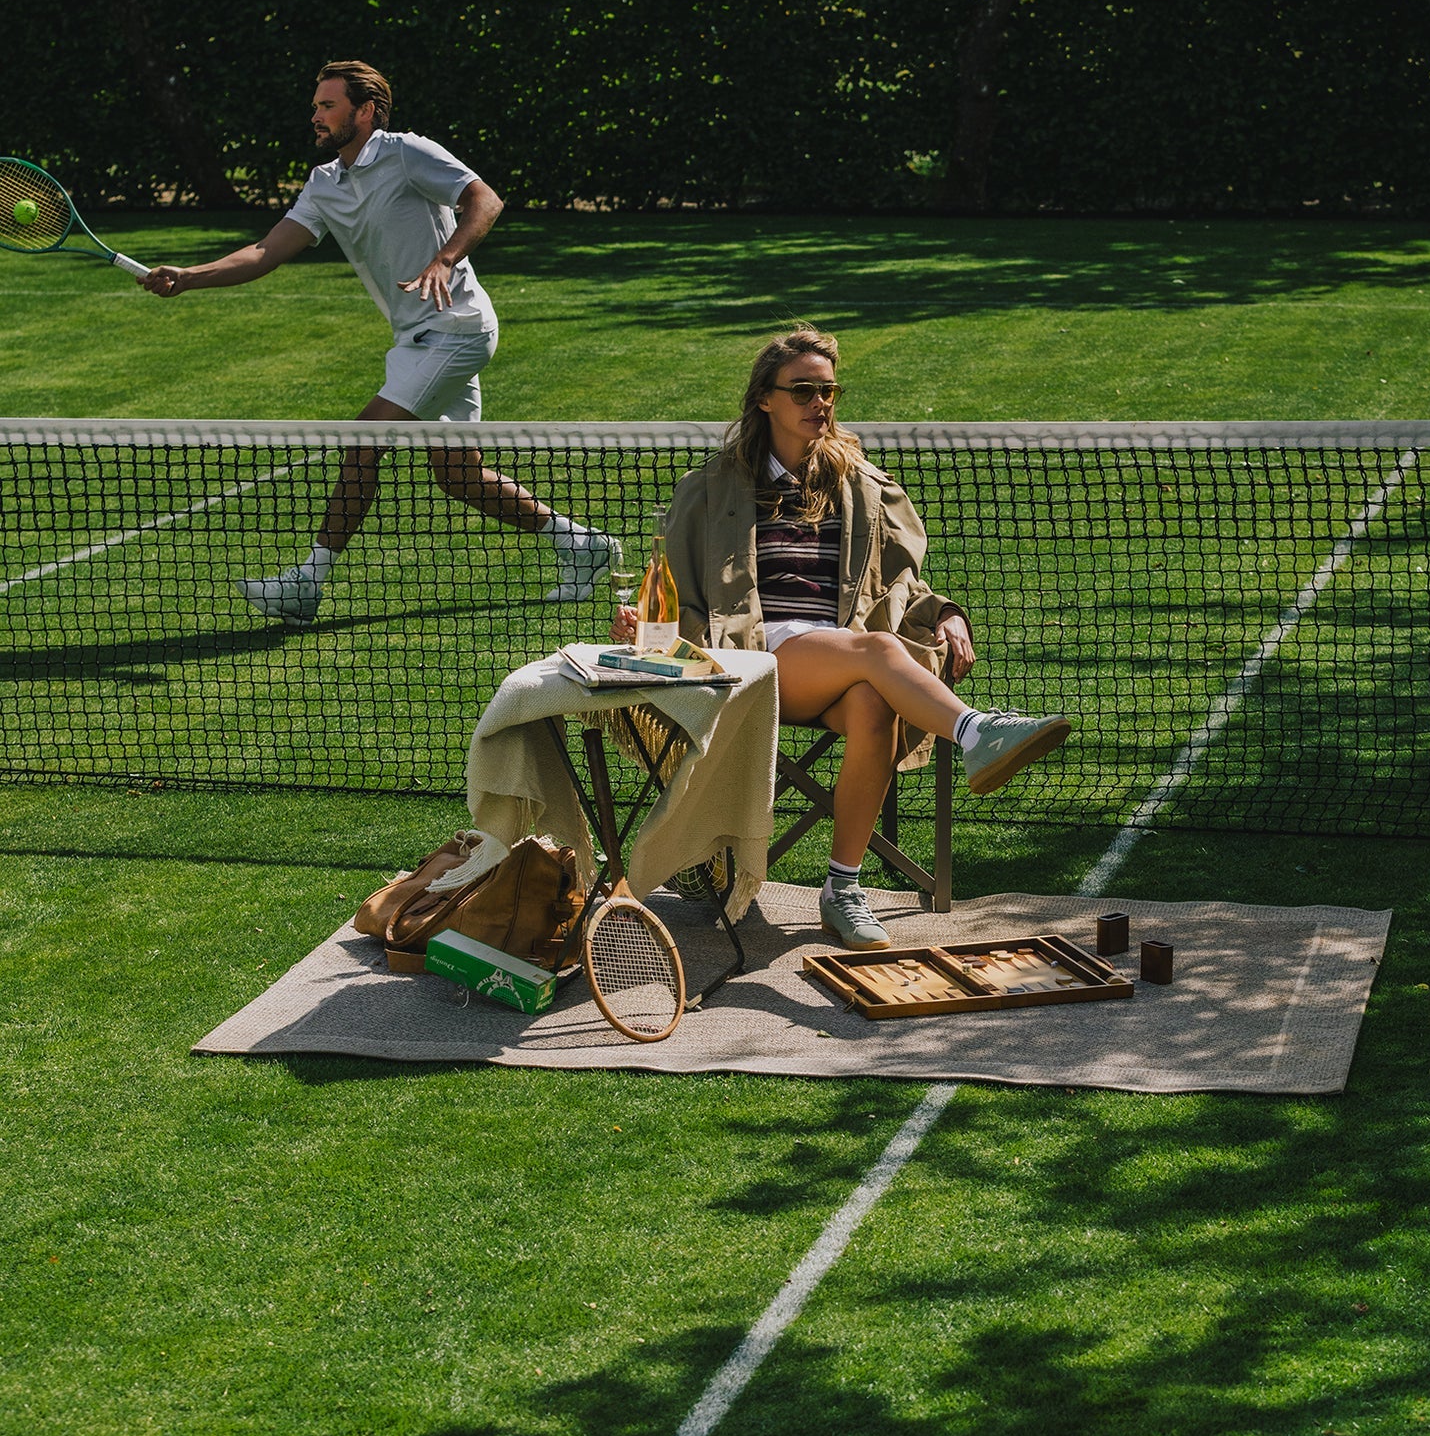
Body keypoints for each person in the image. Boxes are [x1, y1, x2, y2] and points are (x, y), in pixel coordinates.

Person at [614, 325, 1072, 948]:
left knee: (873, 703)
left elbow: (900, 584)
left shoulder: (861, 486)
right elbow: (670, 587)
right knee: (879, 652)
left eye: (828, 390)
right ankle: (975, 731)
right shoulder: (710, 489)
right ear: (764, 399)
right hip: (749, 654)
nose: (819, 403)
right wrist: (645, 627)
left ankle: (842, 887)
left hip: (840, 653)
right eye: (802, 390)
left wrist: (945, 612)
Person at [139, 61, 616, 625]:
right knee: (459, 476)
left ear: (365, 111)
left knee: (363, 440)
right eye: (316, 106)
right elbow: (266, 252)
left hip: (457, 328)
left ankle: (307, 583)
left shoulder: (407, 152)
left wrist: (444, 259)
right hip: (414, 339)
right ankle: (583, 545)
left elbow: (485, 200)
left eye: (328, 106)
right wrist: (189, 276)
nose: (316, 116)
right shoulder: (324, 183)